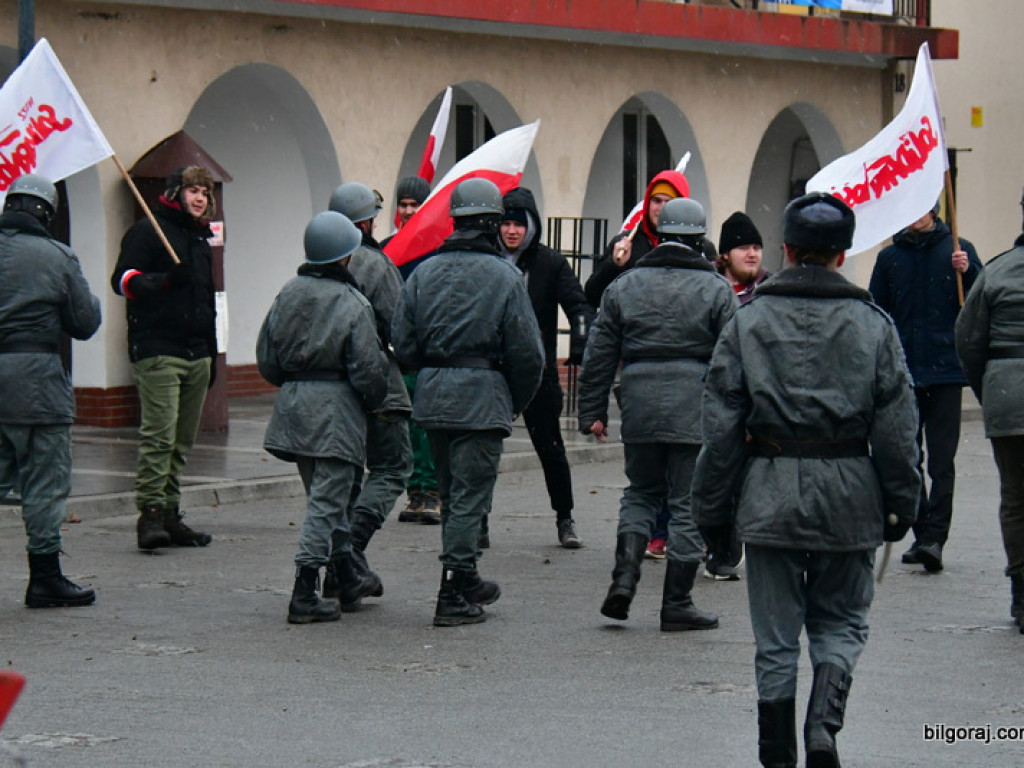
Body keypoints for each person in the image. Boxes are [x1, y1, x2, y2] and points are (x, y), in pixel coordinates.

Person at [691, 192, 921, 768]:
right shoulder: (874, 325)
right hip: (850, 492)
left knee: (774, 638)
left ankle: (777, 754)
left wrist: (711, 513)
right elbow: (897, 425)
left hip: (769, 491)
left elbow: (720, 428)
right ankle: (823, 727)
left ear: (788, 250)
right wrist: (902, 502)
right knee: (841, 620)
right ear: (842, 255)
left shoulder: (750, 320)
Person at [392, 177, 544, 627]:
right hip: (482, 395)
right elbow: (529, 354)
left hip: (435, 395)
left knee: (452, 493)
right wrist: (510, 399)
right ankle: (453, 589)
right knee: (469, 499)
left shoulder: (423, 273)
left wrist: (434, 370)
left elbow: (403, 342)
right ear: (493, 224)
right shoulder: (505, 277)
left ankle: (466, 576)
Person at [579, 197, 736, 630]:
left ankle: (624, 580)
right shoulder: (717, 290)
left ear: (661, 234)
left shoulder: (624, 285)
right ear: (699, 238)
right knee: (686, 502)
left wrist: (592, 410)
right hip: (694, 404)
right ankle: (676, 603)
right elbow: (734, 359)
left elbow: (598, 353)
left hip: (640, 400)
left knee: (641, 492)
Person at [257, 211, 389, 624]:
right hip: (336, 410)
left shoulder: (288, 292)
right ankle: (304, 589)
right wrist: (374, 400)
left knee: (325, 499)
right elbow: (369, 369)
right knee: (327, 504)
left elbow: (267, 358)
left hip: (295, 406)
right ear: (346, 255)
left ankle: (347, 574)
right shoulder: (352, 302)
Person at [0, 174, 102, 607]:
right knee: (44, 482)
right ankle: (45, 577)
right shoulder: (57, 256)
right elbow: (85, 321)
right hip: (37, 382)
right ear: (45, 212)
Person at [869, 201, 983, 572]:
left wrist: (971, 271)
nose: (916, 216)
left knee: (942, 461)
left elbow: (979, 302)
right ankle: (921, 531)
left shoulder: (957, 251)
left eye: (923, 209)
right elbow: (878, 313)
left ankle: (935, 537)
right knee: (906, 455)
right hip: (904, 374)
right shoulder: (890, 259)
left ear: (935, 211)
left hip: (947, 371)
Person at [111, 166, 218, 551]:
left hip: (196, 352)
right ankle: (150, 514)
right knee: (159, 436)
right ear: (175, 192)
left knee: (182, 440)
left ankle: (171, 512)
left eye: (205, 191)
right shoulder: (148, 232)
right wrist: (165, 281)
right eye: (192, 190)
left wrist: (211, 352)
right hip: (158, 349)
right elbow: (122, 280)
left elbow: (207, 301)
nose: (200, 198)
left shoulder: (200, 240)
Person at [324, 182, 413, 600]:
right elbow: (400, 326)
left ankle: (340, 567)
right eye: (371, 216)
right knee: (394, 466)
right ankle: (349, 554)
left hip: (332, 387)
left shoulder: (315, 264)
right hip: (377, 381)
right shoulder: (375, 264)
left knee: (346, 479)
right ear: (363, 221)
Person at [498, 186, 593, 548]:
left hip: (539, 371)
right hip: (496, 371)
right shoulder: (488, 259)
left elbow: (579, 306)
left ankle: (565, 518)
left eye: (520, 225)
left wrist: (581, 343)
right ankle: (477, 522)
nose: (512, 231)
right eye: (506, 223)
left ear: (532, 226)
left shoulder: (550, 263)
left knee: (551, 447)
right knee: (485, 448)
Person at [955, 185, 1024, 634]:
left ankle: (1021, 591)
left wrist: (990, 386)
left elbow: (967, 339)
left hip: (1006, 393)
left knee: (1016, 498)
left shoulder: (997, 271)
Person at [701, 210, 772, 582]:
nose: (752, 254)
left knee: (746, 478)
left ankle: (729, 547)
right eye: (744, 247)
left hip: (757, 395)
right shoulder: (708, 289)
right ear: (725, 254)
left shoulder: (772, 292)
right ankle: (715, 545)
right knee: (716, 474)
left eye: (757, 247)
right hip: (713, 394)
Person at [383, 176, 443, 526]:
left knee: (428, 425)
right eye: (403, 204)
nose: (408, 211)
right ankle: (414, 492)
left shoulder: (437, 251)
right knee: (405, 426)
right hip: (398, 351)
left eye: (414, 204)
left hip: (430, 350)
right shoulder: (387, 249)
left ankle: (433, 491)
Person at [584, 169, 690, 308]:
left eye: (669, 202)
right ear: (648, 203)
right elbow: (592, 296)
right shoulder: (625, 243)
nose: (662, 209)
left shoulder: (696, 247)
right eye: (657, 201)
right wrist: (614, 265)